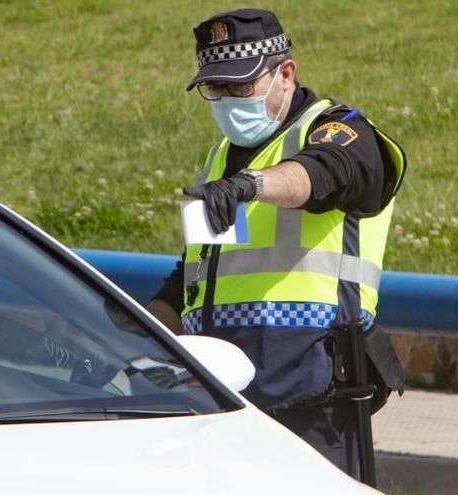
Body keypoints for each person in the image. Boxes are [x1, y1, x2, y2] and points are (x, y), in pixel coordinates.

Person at [146, 9, 407, 475]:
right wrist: (129, 337)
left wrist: (252, 186)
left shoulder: (340, 130)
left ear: (285, 74)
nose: (226, 100)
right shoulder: (220, 160)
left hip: (314, 397)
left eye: (239, 86)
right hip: (226, 400)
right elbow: (193, 277)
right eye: (216, 89)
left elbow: (323, 174)